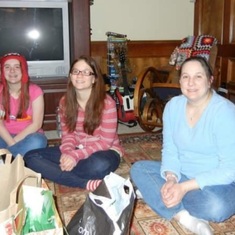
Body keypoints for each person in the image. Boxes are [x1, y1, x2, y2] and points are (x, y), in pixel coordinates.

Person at [130, 56, 235, 235]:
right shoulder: (173, 106)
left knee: (216, 208)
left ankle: (157, 194)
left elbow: (230, 169)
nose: (191, 82)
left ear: (210, 80)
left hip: (216, 183)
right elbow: (170, 149)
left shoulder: (225, 112)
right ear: (180, 81)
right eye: (185, 77)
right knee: (138, 169)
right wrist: (171, 178)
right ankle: (185, 218)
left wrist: (183, 188)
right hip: (182, 176)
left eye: (198, 76)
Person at [24, 55, 123, 191]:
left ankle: (57, 172)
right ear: (70, 76)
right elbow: (67, 135)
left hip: (104, 151)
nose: (80, 76)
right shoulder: (65, 102)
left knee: (99, 166)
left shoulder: (107, 103)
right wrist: (67, 153)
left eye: (86, 72)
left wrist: (75, 156)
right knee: (30, 157)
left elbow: (105, 142)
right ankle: (85, 183)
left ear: (94, 79)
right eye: (76, 71)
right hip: (76, 148)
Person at [0, 53, 47, 157]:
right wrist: (11, 143)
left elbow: (36, 124)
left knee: (38, 141)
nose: (12, 71)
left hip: (28, 136)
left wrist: (13, 143)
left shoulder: (35, 91)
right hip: (5, 136)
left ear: (24, 70)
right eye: (7, 67)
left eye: (17, 67)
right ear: (2, 71)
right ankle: (13, 160)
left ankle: (4, 160)